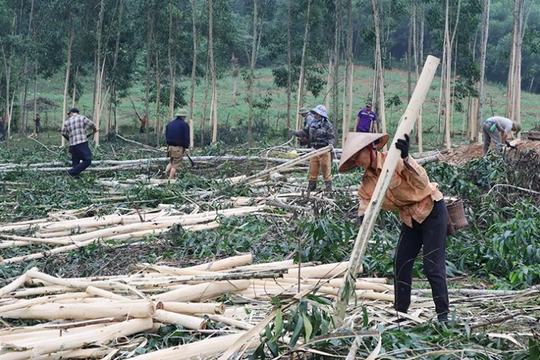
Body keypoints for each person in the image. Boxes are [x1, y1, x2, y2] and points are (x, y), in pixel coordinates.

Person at [338, 132, 450, 322]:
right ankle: (401, 312)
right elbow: (366, 202)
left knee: (432, 265)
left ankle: (443, 315)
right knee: (401, 263)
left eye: (359, 155)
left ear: (371, 148)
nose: (358, 161)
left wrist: (406, 157)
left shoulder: (394, 161)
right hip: (409, 218)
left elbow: (422, 182)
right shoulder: (368, 181)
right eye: (354, 159)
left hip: (431, 210)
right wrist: (362, 218)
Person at [291, 105, 335, 194]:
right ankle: (311, 188)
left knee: (326, 170)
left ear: (321, 115)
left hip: (324, 150)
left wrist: (330, 145)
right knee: (313, 170)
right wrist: (295, 132)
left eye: (317, 114)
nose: (315, 115)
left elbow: (331, 138)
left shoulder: (328, 125)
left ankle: (328, 189)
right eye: (314, 113)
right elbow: (304, 132)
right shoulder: (311, 123)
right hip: (314, 150)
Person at [61, 108, 97, 177]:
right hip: (82, 143)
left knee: (75, 163)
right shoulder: (82, 118)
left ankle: (74, 179)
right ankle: (70, 172)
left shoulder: (67, 122)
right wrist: (94, 129)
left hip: (72, 146)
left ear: (71, 113)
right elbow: (91, 124)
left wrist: (70, 139)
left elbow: (63, 133)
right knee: (87, 160)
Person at [163, 109, 190, 179]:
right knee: (175, 165)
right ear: (183, 116)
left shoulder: (170, 124)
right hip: (178, 148)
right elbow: (186, 137)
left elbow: (167, 135)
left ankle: (165, 172)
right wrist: (186, 147)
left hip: (170, 147)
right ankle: (169, 180)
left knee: (172, 162)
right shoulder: (184, 125)